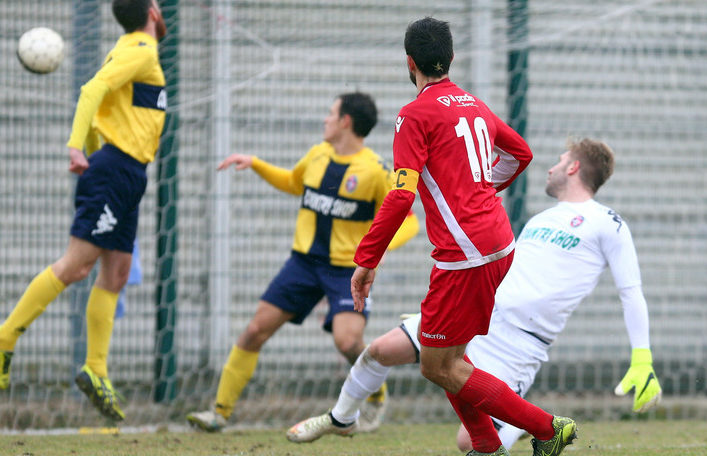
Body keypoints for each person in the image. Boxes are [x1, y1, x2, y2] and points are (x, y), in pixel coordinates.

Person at [287, 138, 662, 453]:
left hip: (519, 344)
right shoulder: (541, 219)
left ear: (573, 168)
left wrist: (642, 357)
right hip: (476, 315)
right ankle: (342, 418)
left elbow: (631, 292)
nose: (550, 168)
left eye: (559, 161)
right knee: (380, 351)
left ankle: (527, 425)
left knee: (467, 441)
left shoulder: (608, 223)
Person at [348, 17, 575, 456]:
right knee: (448, 357)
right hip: (498, 242)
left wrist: (367, 258)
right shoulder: (472, 103)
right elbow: (520, 153)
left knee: (438, 365)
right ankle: (487, 447)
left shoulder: (413, 115)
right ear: (450, 58)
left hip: (465, 254)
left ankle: (547, 428)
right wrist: (483, 189)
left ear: (409, 62)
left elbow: (400, 196)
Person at [186, 92, 419, 432]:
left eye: (330, 113)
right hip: (303, 264)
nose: (325, 119)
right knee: (254, 331)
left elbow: (410, 222)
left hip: (345, 271)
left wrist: (375, 251)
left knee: (348, 342)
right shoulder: (317, 155)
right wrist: (256, 163)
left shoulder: (375, 170)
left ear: (345, 122)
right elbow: (294, 182)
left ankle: (375, 392)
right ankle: (219, 413)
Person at [0, 0, 167, 422]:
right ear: (151, 10)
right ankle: (5, 338)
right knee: (76, 267)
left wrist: (92, 149)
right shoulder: (140, 50)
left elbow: (106, 114)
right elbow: (92, 90)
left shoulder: (134, 47)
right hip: (115, 172)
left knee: (117, 273)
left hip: (127, 175)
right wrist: (77, 147)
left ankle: (96, 369)